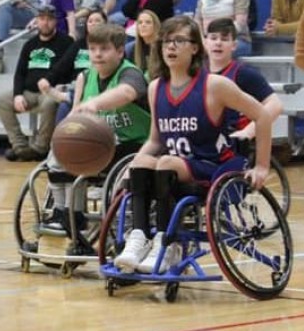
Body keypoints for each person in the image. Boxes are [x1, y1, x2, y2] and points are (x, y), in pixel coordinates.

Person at [113, 16, 273, 274]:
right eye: (166, 41)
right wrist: (132, 165)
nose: (171, 47)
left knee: (166, 162)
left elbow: (263, 115)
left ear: (195, 47)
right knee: (142, 161)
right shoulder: (155, 88)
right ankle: (138, 238)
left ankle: (169, 244)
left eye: (179, 41)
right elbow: (155, 140)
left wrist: (262, 167)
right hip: (175, 168)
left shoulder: (215, 85)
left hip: (214, 167)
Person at [43, 24, 150, 255]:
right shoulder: (85, 77)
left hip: (132, 147)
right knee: (59, 153)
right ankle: (68, 215)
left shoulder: (131, 74)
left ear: (120, 52)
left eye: (104, 48)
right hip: (99, 147)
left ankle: (118, 234)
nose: (98, 54)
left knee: (115, 180)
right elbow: (73, 116)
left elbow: (127, 93)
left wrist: (94, 104)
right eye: (93, 49)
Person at [0, 2, 77, 162]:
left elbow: (65, 68)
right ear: (36, 21)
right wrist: (18, 94)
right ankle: (20, 146)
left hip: (52, 90)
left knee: (49, 104)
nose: (45, 22)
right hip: (29, 92)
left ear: (55, 22)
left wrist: (56, 87)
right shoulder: (29, 44)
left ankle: (40, 148)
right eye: (42, 18)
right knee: (1, 101)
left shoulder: (66, 42)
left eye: (49, 19)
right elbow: (19, 73)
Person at [204, 18, 282, 140]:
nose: (218, 43)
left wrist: (248, 131)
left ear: (234, 45)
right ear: (205, 43)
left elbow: (275, 105)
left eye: (224, 39)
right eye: (213, 38)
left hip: (232, 140)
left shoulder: (244, 73)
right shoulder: (197, 73)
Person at [125, 9, 161, 78]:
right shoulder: (131, 48)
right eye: (140, 22)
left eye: (148, 22)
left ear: (155, 26)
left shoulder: (162, 47)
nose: (143, 25)